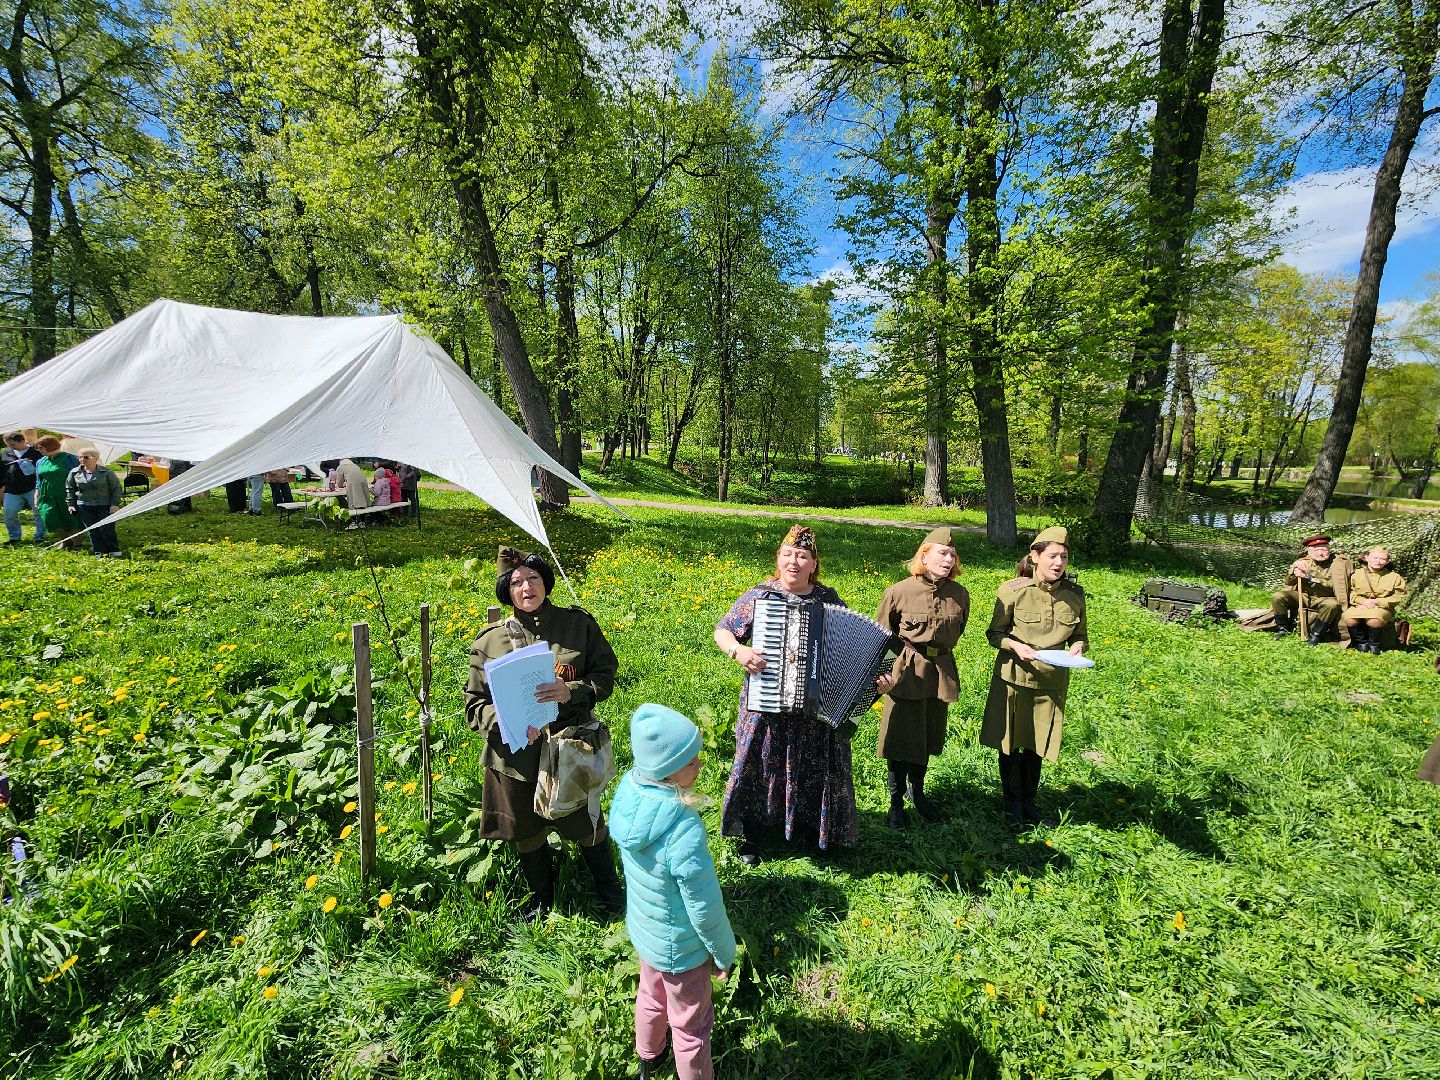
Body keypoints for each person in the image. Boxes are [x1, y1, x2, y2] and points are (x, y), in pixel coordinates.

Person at [463, 546, 624, 920]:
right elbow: (473, 706)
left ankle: (610, 890)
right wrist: (502, 721)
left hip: (569, 749)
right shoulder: (489, 642)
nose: (526, 587)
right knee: (527, 831)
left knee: (586, 825)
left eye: (533, 578)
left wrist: (574, 690)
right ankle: (541, 898)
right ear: (507, 591)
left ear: (546, 584)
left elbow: (605, 675)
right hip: (515, 756)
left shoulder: (577, 626)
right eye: (516, 582)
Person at [714, 524, 879, 862]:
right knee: (757, 761)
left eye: (802, 556)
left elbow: (852, 653)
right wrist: (739, 652)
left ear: (814, 563)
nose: (794, 562)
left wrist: (876, 682)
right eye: (787, 555)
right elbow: (724, 630)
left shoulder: (828, 600)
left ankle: (810, 828)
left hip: (815, 707)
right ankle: (753, 833)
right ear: (778, 558)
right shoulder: (760, 595)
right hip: (767, 699)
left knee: (819, 761)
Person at [610, 703, 736, 1080]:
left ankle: (649, 1057)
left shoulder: (628, 795)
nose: (700, 765)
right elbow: (704, 906)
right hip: (682, 950)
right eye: (691, 760)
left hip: (646, 934)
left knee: (650, 996)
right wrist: (723, 952)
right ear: (668, 770)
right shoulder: (683, 829)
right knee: (691, 1026)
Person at [982, 525, 1087, 829]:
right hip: (1014, 677)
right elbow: (995, 634)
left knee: (1037, 742)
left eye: (1064, 557)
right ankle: (1012, 802)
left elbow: (1080, 635)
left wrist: (1079, 646)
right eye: (1052, 556)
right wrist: (1015, 645)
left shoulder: (1075, 595)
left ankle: (1029, 800)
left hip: (1051, 682)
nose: (1059, 563)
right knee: (1010, 741)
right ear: (1035, 556)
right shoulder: (1013, 590)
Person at [874, 527, 970, 829]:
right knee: (900, 738)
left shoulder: (960, 594)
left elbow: (959, 630)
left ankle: (918, 792)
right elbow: (880, 638)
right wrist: (884, 675)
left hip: (939, 672)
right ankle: (895, 801)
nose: (949, 558)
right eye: (943, 552)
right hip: (905, 673)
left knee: (927, 735)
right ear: (925, 554)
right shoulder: (898, 592)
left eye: (952, 554)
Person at [1271, 534, 1353, 645]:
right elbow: (1288, 582)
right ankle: (1283, 629)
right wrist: (1294, 570)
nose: (1320, 553)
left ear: (1329, 550)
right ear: (1309, 551)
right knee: (1278, 596)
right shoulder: (1304, 561)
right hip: (1304, 596)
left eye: (1323, 549)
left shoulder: (1338, 564)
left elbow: (1334, 585)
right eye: (1315, 550)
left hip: (1325, 597)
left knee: (1331, 604)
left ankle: (1315, 636)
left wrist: (1310, 578)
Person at [1343, 547, 1406, 655]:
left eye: (1382, 559)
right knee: (1349, 619)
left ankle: (1374, 645)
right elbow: (1350, 592)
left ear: (1387, 561)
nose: (1378, 561)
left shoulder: (1394, 577)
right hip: (1360, 605)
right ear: (1366, 558)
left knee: (1374, 620)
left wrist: (1377, 602)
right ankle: (1361, 644)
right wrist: (1362, 602)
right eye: (1375, 558)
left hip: (1382, 607)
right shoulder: (1356, 574)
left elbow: (1398, 597)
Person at [65, 448, 124, 557]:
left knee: (107, 528)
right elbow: (70, 489)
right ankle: (100, 552)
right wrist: (71, 504)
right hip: (84, 506)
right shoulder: (74, 472)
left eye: (86, 457)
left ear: (95, 458)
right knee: (92, 530)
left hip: (104, 505)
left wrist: (114, 504)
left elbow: (116, 488)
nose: (82, 460)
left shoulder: (106, 472)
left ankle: (114, 550)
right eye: (80, 457)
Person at [33, 437, 81, 547]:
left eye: (41, 448)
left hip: (66, 494)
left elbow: (78, 476)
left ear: (50, 446)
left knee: (72, 518)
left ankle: (78, 544)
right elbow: (38, 480)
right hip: (47, 495)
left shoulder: (70, 458)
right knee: (50, 517)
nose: (39, 450)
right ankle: (65, 540)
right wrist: (36, 494)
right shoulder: (40, 461)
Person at [2, 431, 46, 545]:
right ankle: (14, 537)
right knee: (9, 513)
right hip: (12, 489)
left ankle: (40, 536)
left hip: (32, 488)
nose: (10, 447)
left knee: (38, 512)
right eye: (8, 444)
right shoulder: (5, 453)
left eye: (12, 444)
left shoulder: (36, 453)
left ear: (22, 441)